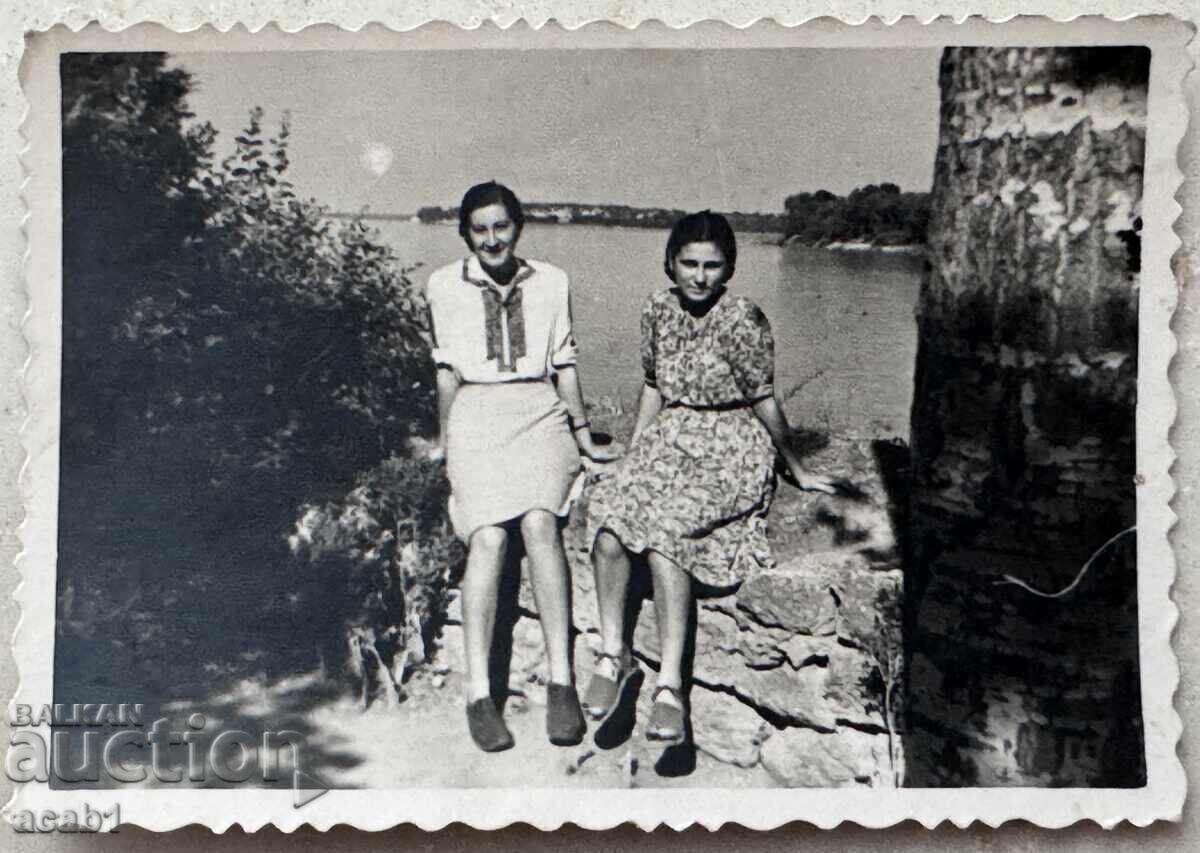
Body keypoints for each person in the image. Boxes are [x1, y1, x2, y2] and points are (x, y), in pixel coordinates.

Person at [582, 210, 836, 745]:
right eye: (689, 263)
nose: (699, 276)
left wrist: (795, 465)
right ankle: (613, 654)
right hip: (671, 436)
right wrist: (635, 452)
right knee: (610, 527)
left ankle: (670, 689)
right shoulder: (657, 308)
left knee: (668, 538)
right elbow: (653, 385)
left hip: (730, 443)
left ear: (729, 268)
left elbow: (763, 398)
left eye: (712, 266)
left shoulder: (744, 319)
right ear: (671, 263)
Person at [426, 181, 617, 752]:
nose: (492, 240)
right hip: (477, 418)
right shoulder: (442, 286)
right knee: (487, 537)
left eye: (501, 227)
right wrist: (446, 443)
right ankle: (478, 694)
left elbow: (565, 365)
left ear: (518, 227)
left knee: (539, 523)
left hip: (539, 413)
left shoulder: (553, 282)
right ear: (466, 234)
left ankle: (562, 681)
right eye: (480, 230)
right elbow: (446, 374)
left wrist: (583, 436)